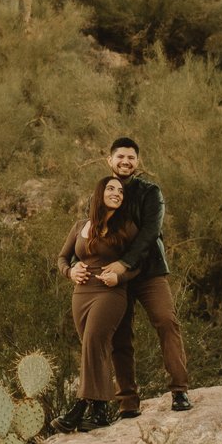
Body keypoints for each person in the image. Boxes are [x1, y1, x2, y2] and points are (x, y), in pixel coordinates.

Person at [76, 136, 192, 414]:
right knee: (120, 336)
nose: (125, 162)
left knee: (166, 321)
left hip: (148, 272)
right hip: (112, 279)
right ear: (110, 160)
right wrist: (73, 265)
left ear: (137, 162)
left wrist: (125, 263)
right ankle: (127, 401)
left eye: (131, 157)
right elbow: (86, 232)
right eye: (120, 157)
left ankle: (179, 391)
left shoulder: (150, 192)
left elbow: (151, 233)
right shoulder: (101, 193)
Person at [55, 176, 136, 431]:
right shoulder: (80, 225)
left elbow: (140, 265)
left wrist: (120, 275)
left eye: (121, 191)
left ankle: (79, 408)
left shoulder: (127, 228)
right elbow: (61, 258)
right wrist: (70, 272)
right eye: (111, 189)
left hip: (110, 293)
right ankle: (100, 413)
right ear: (99, 193)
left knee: (93, 341)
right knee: (95, 348)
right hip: (81, 294)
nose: (117, 193)